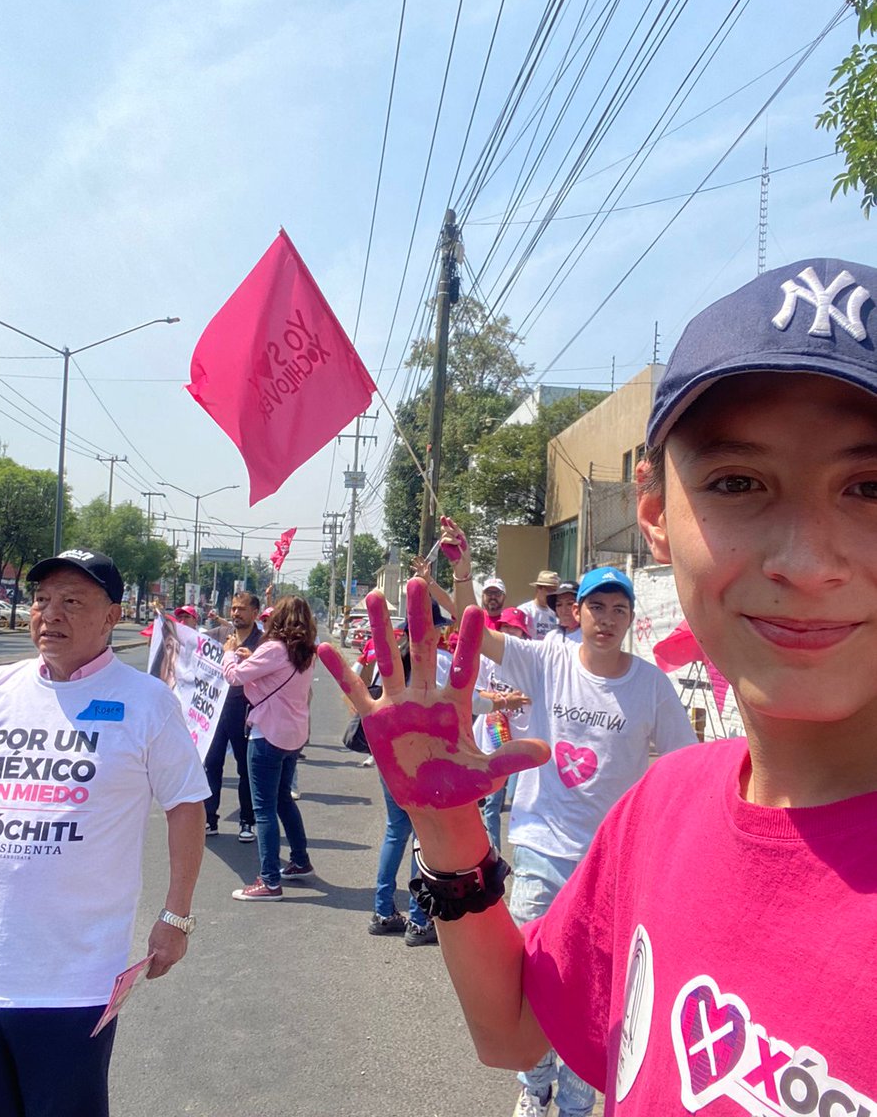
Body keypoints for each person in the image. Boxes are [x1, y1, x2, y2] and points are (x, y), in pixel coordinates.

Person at [318, 257, 877, 1109]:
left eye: (870, 488)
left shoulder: (654, 697)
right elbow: (512, 1027)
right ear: (654, 514)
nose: (805, 562)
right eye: (738, 484)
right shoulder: (666, 807)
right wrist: (447, 828)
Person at [457, 550, 694, 1116]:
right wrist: (465, 574)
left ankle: (576, 1100)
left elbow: (688, 762)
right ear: (574, 612)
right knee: (534, 979)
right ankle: (534, 1085)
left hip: (611, 866)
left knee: (592, 992)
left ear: (630, 619)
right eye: (595, 607)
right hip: (540, 847)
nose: (606, 619)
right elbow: (481, 637)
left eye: (618, 609)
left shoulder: (652, 687)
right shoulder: (546, 660)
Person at [0, 548, 208, 1117]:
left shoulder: (147, 703)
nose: (49, 614)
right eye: (41, 600)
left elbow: (186, 804)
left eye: (72, 602)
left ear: (112, 617)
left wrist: (175, 915)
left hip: (73, 981)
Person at [368, 599, 452, 946]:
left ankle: (383, 911)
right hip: (426, 762)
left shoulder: (388, 661)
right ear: (430, 630)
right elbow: (468, 703)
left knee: (394, 833)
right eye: (439, 627)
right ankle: (418, 920)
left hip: (390, 759)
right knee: (423, 839)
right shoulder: (440, 662)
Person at [227, 596, 317, 900]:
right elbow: (274, 676)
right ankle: (300, 860)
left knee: (263, 808)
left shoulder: (273, 649)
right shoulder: (306, 653)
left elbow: (235, 677)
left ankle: (269, 881)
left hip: (267, 734)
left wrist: (229, 655)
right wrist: (252, 656)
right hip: (293, 735)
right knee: (282, 801)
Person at [203, 591, 262, 841]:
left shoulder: (263, 643)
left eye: (242, 609)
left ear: (255, 613)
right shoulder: (218, 636)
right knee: (211, 764)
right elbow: (191, 649)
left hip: (246, 712)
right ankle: (209, 819)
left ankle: (246, 821)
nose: (236, 613)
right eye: (234, 608)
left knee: (245, 768)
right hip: (215, 711)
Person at [473, 606, 532, 852]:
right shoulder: (488, 658)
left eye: (515, 629)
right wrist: (503, 699)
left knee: (521, 801)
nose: (509, 632)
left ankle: (523, 852)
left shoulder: (531, 660)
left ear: (523, 634)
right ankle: (494, 854)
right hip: (493, 734)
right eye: (505, 627)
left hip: (522, 740)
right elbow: (477, 691)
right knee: (491, 804)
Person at [517, 571, 560, 640]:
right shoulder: (524, 610)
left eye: (555, 591)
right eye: (549, 590)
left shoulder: (555, 613)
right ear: (538, 588)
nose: (552, 594)